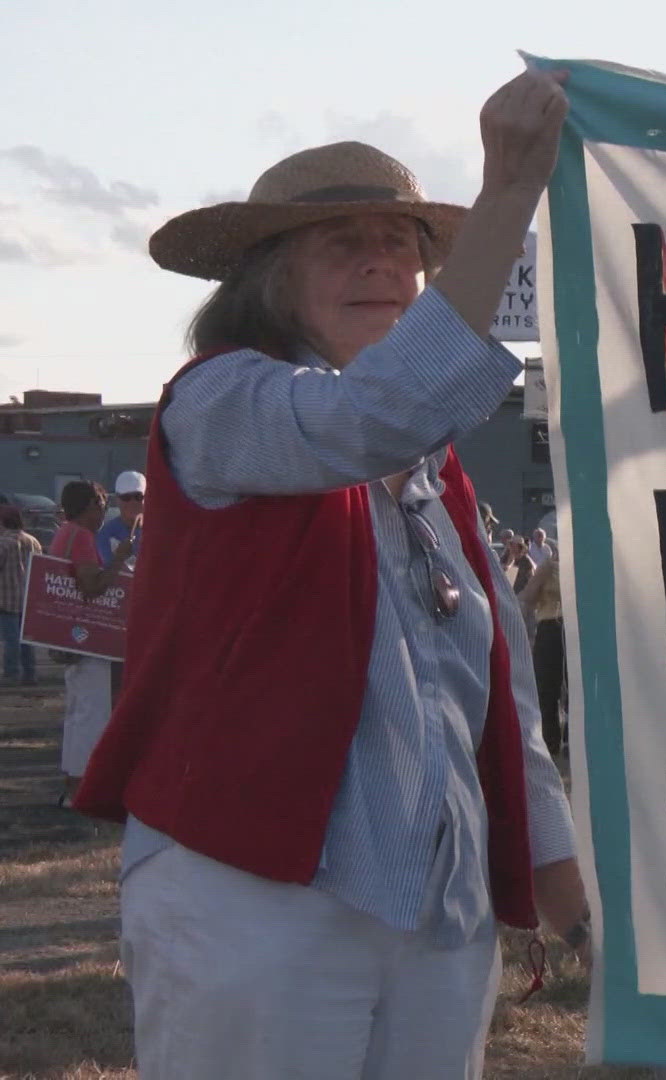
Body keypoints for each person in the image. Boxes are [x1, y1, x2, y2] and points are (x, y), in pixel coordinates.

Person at [73, 68, 591, 1080]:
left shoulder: (433, 472)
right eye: (342, 244)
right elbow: (364, 421)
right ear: (271, 279)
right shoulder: (224, 404)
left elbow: (501, 704)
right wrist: (510, 191)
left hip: (440, 909)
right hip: (255, 895)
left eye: (401, 244)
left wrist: (563, 894)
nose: (381, 265)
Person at [53, 480, 132, 801]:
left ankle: (73, 783)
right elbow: (91, 585)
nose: (104, 512)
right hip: (89, 639)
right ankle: (83, 788)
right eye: (101, 504)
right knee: (92, 713)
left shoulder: (64, 532)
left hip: (73, 637)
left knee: (78, 712)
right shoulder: (82, 536)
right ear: (89, 506)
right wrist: (118, 560)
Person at [518, 551, 566, 760]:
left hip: (569, 627)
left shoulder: (581, 564)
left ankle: (567, 742)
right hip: (551, 626)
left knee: (569, 688)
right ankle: (551, 741)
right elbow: (528, 597)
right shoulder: (548, 567)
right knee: (548, 687)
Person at [0, 505, 42, 686]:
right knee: (26, 639)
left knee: (12, 639)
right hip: (28, 597)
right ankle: (30, 673)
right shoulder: (33, 541)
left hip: (6, 598)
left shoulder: (3, 543)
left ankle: (11, 673)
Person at [96, 471, 145, 572]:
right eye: (126, 498)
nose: (133, 502)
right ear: (117, 499)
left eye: (138, 497)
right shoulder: (105, 534)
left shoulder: (159, 531)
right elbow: (108, 571)